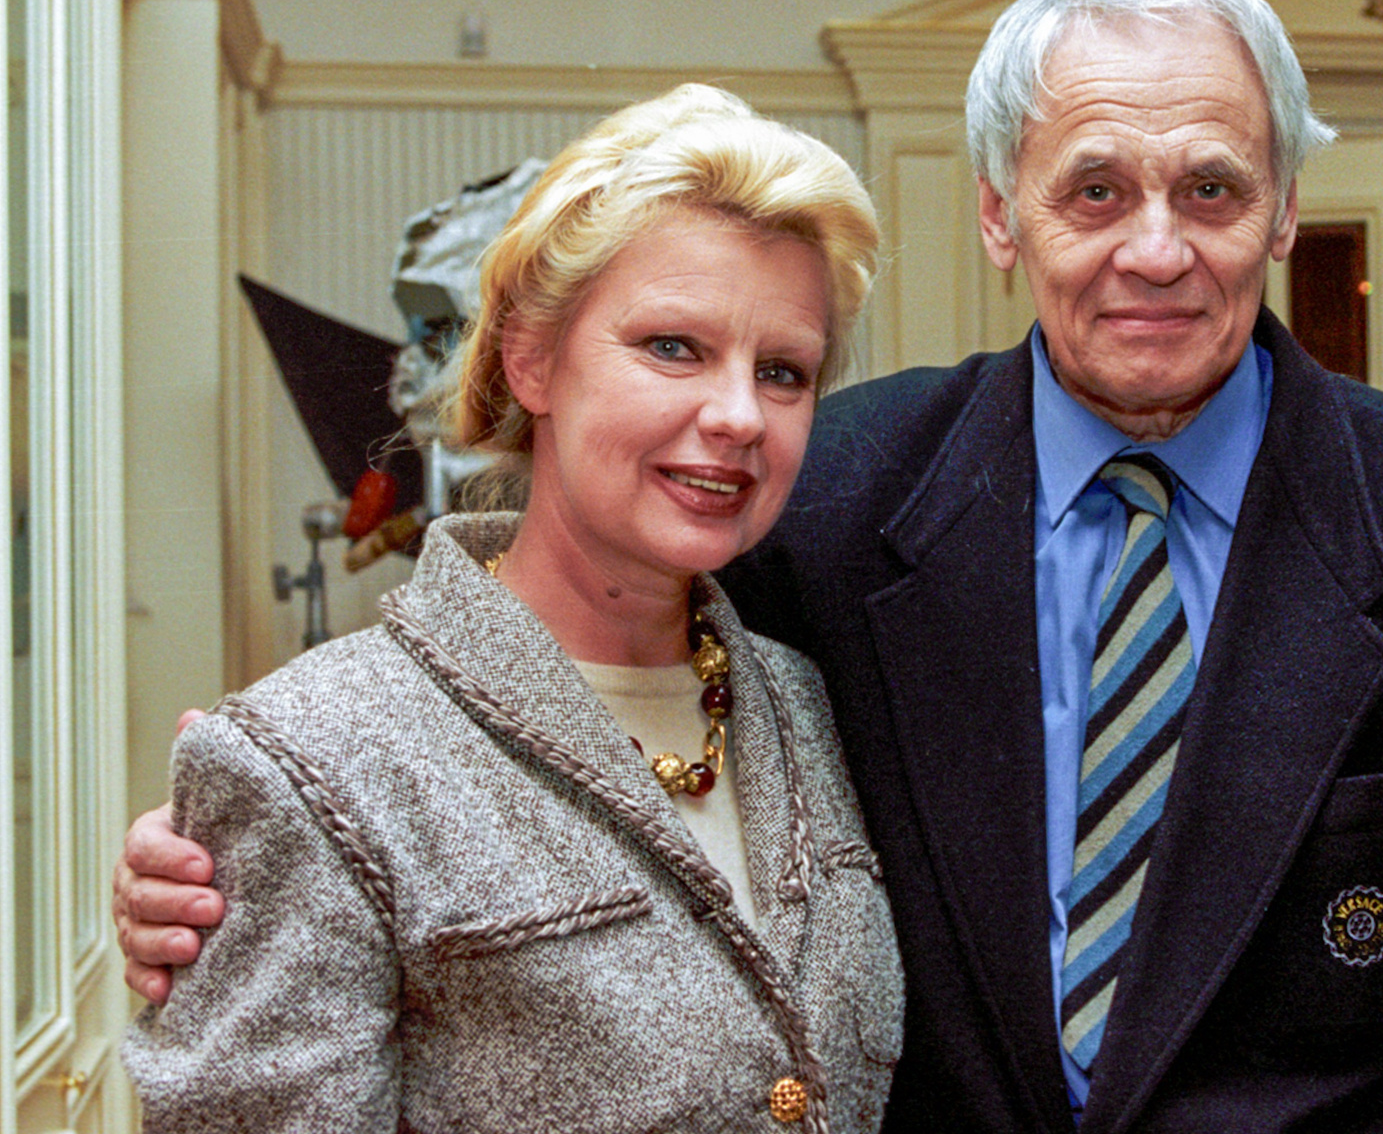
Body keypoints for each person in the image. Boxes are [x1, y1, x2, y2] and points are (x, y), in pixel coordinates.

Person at [117, 0, 1383, 1131]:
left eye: (1212, 188)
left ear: (1281, 215)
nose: (1156, 246)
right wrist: (269, 848)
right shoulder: (823, 510)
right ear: (1000, 215)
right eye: (1094, 189)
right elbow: (522, 715)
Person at [120, 84, 903, 1132]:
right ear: (530, 357)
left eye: (783, 372)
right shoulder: (317, 759)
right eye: (672, 346)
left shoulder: (814, 700)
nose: (737, 415)